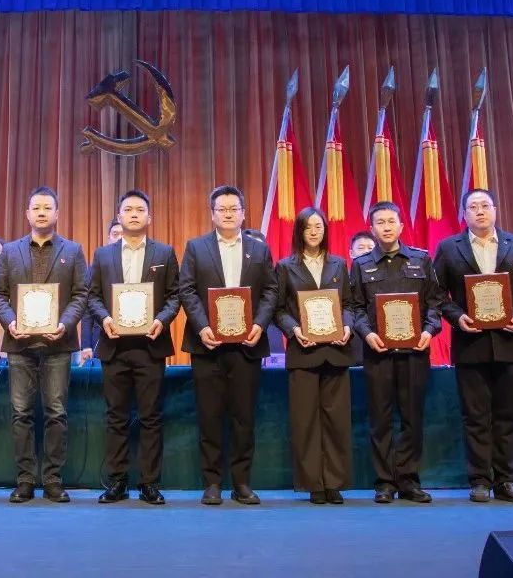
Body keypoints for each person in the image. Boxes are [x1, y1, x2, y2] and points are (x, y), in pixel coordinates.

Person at [433, 189, 513, 503]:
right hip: (469, 344)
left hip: (509, 343)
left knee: (508, 416)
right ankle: (480, 480)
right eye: (473, 207)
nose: (480, 211)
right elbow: (436, 294)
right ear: (464, 214)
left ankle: (507, 481)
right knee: (475, 417)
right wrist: (457, 318)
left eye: (485, 205)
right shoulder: (448, 248)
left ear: (495, 210)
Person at [178, 185, 278, 506]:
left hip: (247, 345)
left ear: (243, 213)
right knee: (209, 416)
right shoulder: (196, 247)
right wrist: (203, 327)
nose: (228, 214)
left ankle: (242, 482)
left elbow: (271, 291)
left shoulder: (259, 249)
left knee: (243, 417)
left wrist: (259, 324)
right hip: (207, 345)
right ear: (212, 214)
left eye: (234, 208)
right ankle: (212, 483)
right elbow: (186, 290)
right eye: (222, 209)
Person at [0, 186, 88, 503]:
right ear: (27, 214)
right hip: (20, 344)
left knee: (56, 413)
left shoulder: (73, 250)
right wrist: (10, 322)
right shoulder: (10, 252)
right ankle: (25, 480)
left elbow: (81, 294)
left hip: (58, 344)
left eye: (48, 207)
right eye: (36, 207)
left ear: (57, 213)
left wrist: (65, 324)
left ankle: (53, 480)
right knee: (21, 414)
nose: (42, 212)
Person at [85, 191, 180, 505]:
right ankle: (117, 482)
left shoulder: (164, 253)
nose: (135, 214)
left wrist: (162, 320)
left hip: (151, 345)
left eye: (140, 209)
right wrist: (105, 318)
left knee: (151, 417)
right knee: (116, 417)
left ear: (149, 217)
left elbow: (174, 296)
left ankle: (150, 483)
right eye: (128, 209)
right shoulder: (102, 255)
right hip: (114, 345)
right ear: (119, 216)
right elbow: (92, 296)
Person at [348, 202, 443, 504]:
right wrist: (367, 333)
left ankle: (409, 480)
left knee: (412, 418)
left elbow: (435, 303)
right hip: (378, 354)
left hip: (414, 353)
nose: (386, 227)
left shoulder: (421, 259)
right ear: (372, 228)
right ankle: (385, 482)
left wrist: (429, 331)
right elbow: (355, 307)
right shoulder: (361, 264)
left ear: (401, 226)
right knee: (381, 420)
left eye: (391, 221)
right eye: (380, 222)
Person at [274, 207, 357, 505]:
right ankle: (313, 484)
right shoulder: (285, 267)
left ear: (325, 230)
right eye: (307, 227)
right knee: (306, 421)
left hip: (336, 351)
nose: (313, 231)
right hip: (303, 352)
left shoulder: (339, 264)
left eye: (318, 226)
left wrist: (347, 325)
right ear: (299, 231)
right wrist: (294, 329)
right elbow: (278, 309)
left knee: (337, 421)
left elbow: (349, 304)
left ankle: (334, 483)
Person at [79, 218, 123, 366]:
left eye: (123, 234)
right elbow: (87, 310)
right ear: (108, 238)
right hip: (101, 338)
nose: (119, 238)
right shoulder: (95, 268)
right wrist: (86, 345)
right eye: (115, 234)